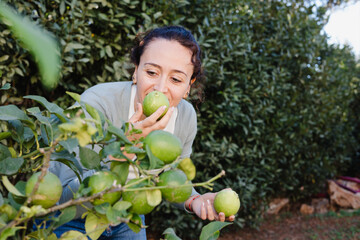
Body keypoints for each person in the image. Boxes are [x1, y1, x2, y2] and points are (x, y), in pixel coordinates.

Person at [48, 25, 235, 239]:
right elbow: (62, 198)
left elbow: (169, 175)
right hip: (70, 220)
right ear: (136, 70)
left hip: (128, 218)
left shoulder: (185, 117)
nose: (160, 88)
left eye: (176, 79)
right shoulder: (96, 104)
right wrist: (124, 150)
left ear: (188, 87)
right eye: (152, 72)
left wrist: (193, 199)